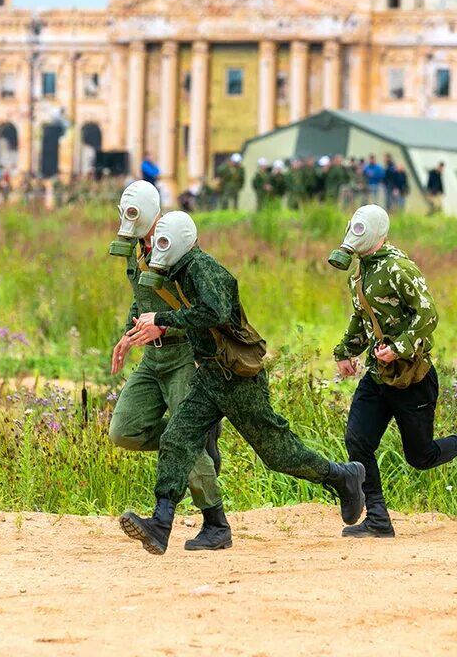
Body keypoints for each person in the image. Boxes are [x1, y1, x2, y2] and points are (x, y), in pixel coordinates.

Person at [118, 212, 366, 554]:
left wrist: (162, 319)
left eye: (163, 242)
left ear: (178, 244)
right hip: (208, 376)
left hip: (238, 379)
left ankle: (342, 477)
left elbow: (215, 313)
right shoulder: (178, 272)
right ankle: (163, 524)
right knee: (177, 438)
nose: (157, 249)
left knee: (278, 453)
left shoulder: (203, 269)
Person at [330, 205, 457, 538]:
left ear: (377, 234)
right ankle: (378, 518)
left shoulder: (398, 269)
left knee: (421, 456)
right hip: (379, 376)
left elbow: (428, 315)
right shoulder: (360, 273)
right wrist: (345, 351)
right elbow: (363, 319)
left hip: (413, 377)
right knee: (358, 441)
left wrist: (400, 348)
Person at [107, 182, 228, 551]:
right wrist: (129, 334)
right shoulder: (133, 248)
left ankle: (216, 525)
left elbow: (204, 305)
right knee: (123, 430)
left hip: (184, 355)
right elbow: (140, 296)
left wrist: (165, 322)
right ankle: (197, 442)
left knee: (181, 438)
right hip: (152, 358)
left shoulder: (176, 241)